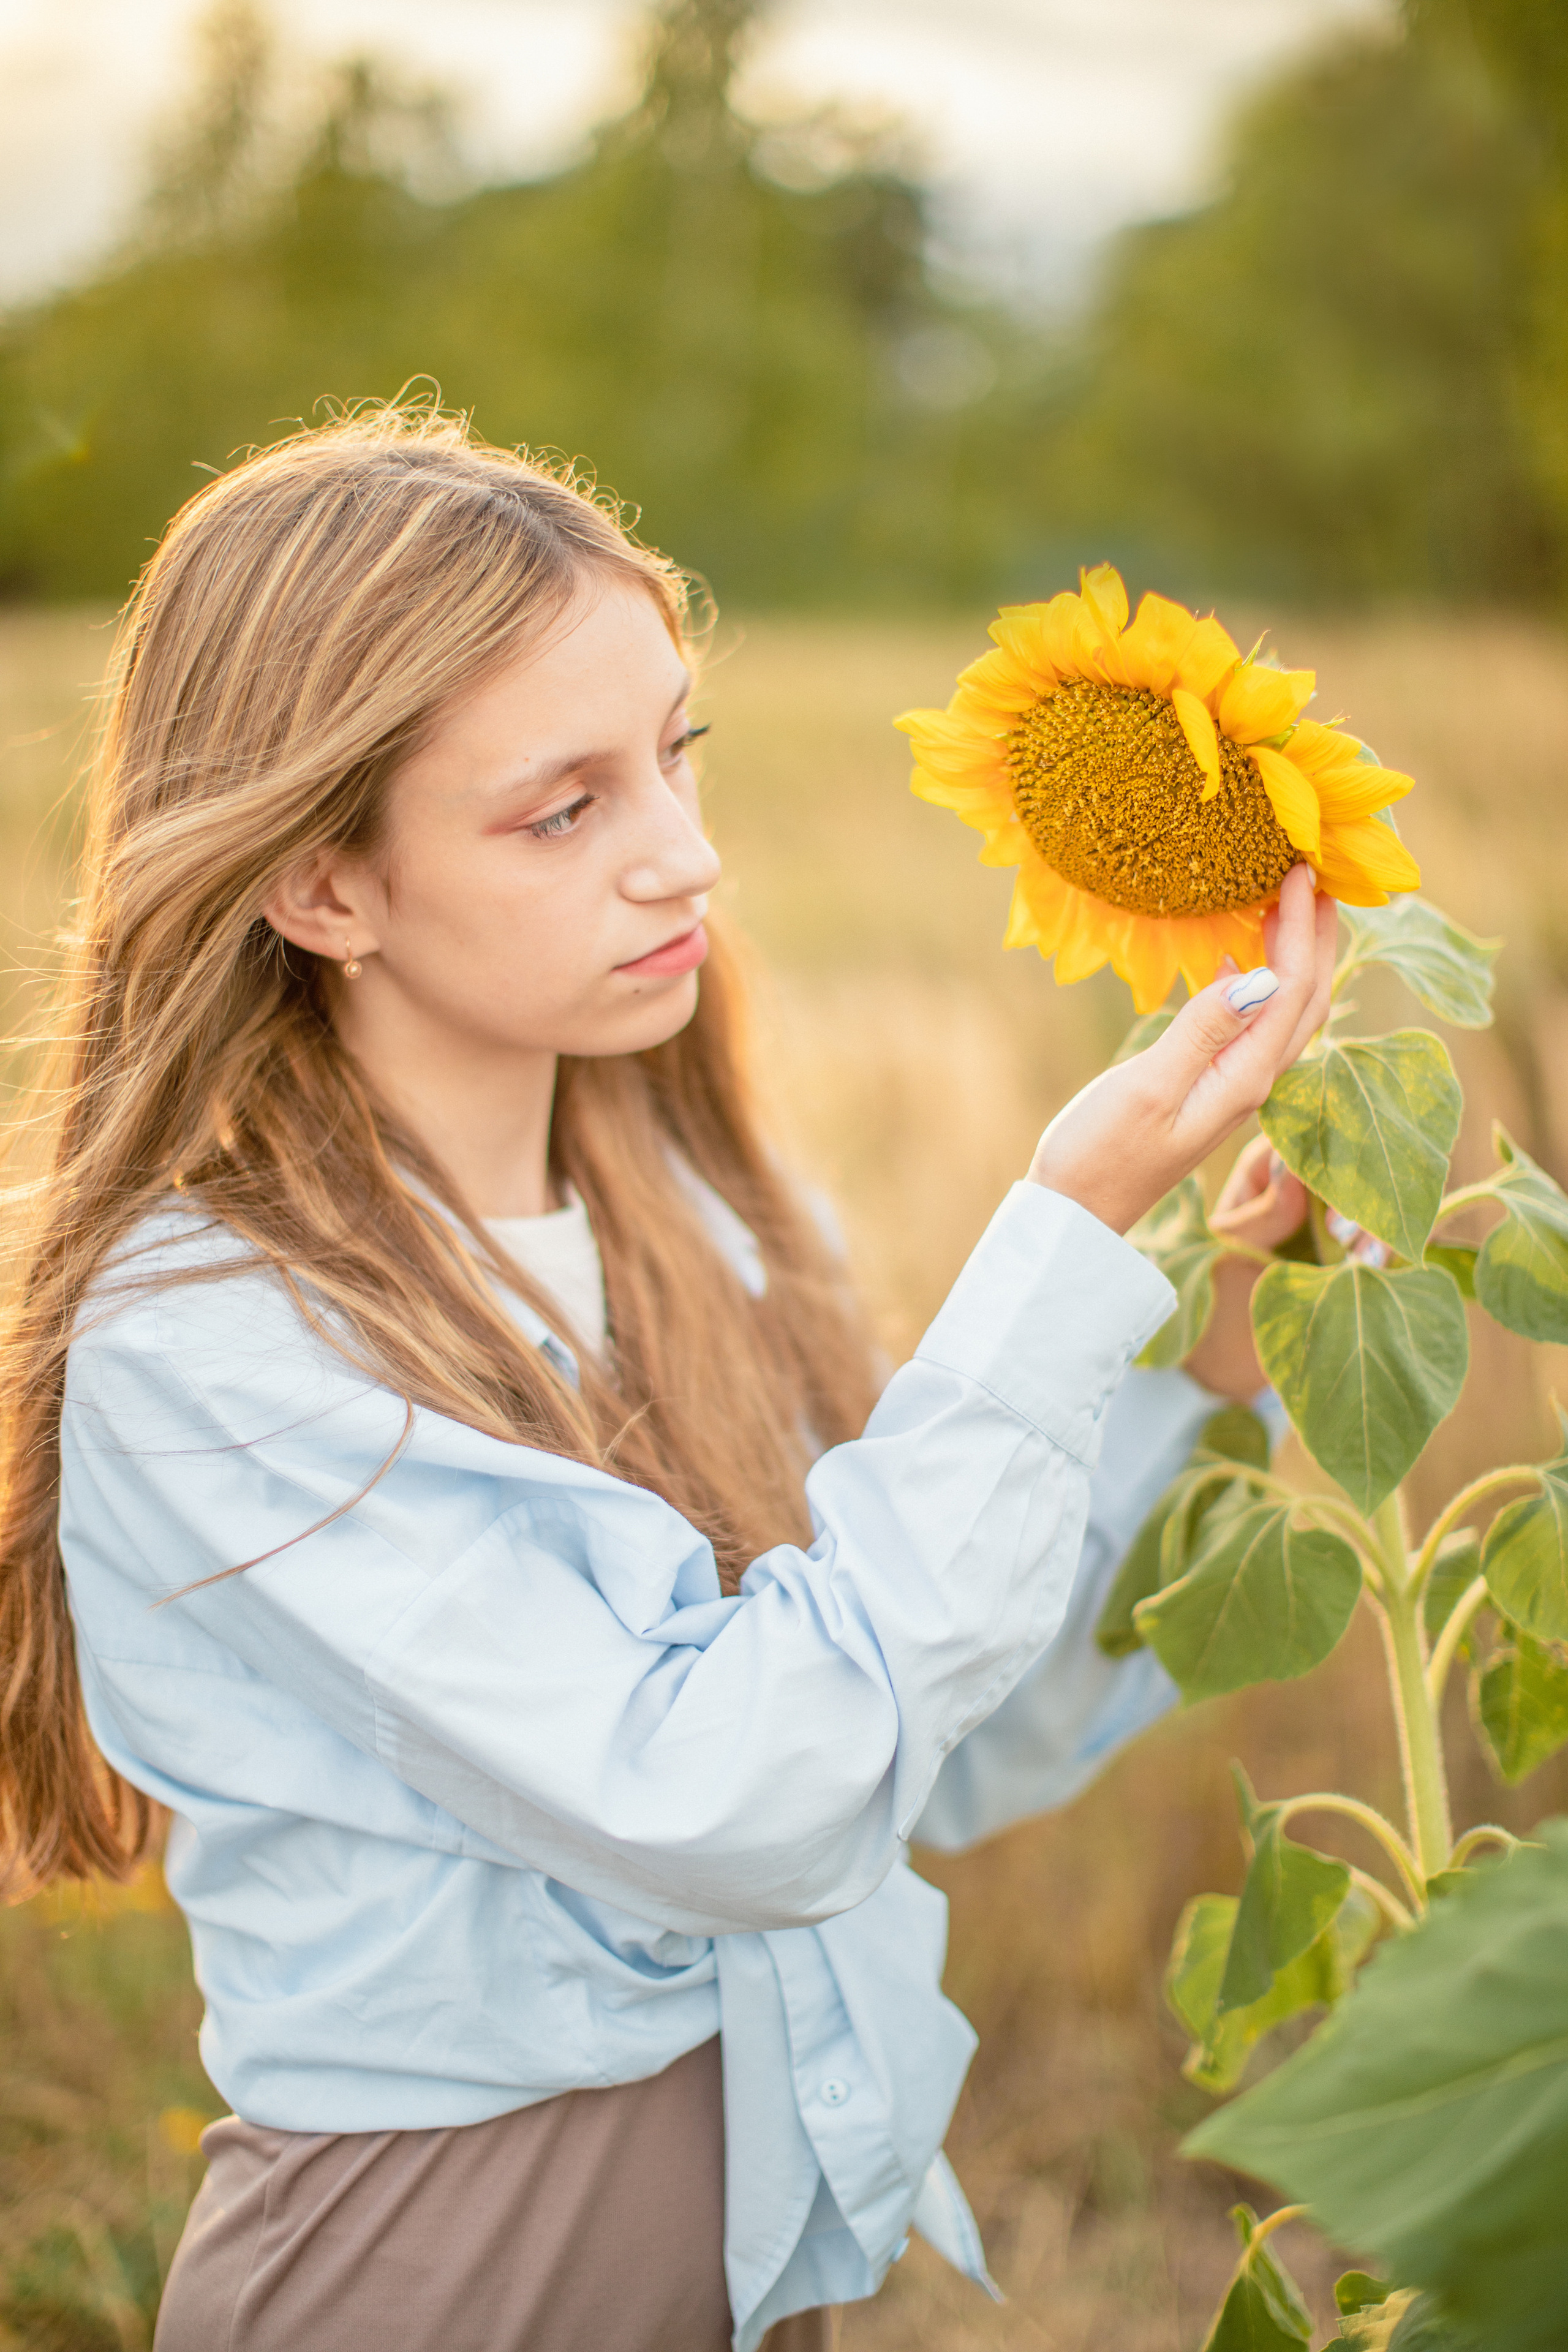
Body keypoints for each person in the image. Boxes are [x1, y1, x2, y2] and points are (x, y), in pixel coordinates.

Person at [0, 405, 1333, 2352]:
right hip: (428, 2281)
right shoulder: (206, 1343)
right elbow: (740, 1794)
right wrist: (1057, 1250)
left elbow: (919, 1741)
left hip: (750, 2274)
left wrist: (1202, 1346)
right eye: (567, 810)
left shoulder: (699, 1221)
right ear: (321, 886)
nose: (685, 859)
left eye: (675, 759)